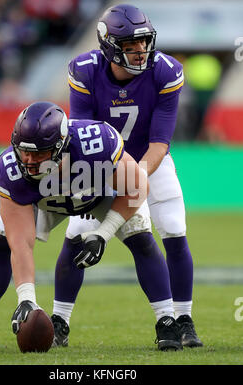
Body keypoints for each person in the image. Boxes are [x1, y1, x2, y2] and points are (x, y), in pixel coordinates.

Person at [0, 101, 183, 352]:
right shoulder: (10, 169)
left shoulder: (96, 144)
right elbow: (21, 244)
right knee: (2, 240)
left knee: (140, 237)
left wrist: (103, 234)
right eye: (24, 151)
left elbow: (137, 188)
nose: (28, 160)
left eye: (38, 153)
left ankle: (166, 321)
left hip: (98, 192)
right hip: (45, 201)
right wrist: (26, 298)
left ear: (60, 146)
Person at [51, 4, 203, 348]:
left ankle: (183, 320)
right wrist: (100, 180)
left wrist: (133, 179)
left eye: (144, 43)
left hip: (151, 161)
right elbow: (83, 134)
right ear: (109, 46)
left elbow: (160, 143)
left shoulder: (166, 71)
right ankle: (60, 320)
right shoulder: (85, 70)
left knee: (175, 231)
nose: (141, 52)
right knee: (78, 231)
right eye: (131, 46)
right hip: (99, 163)